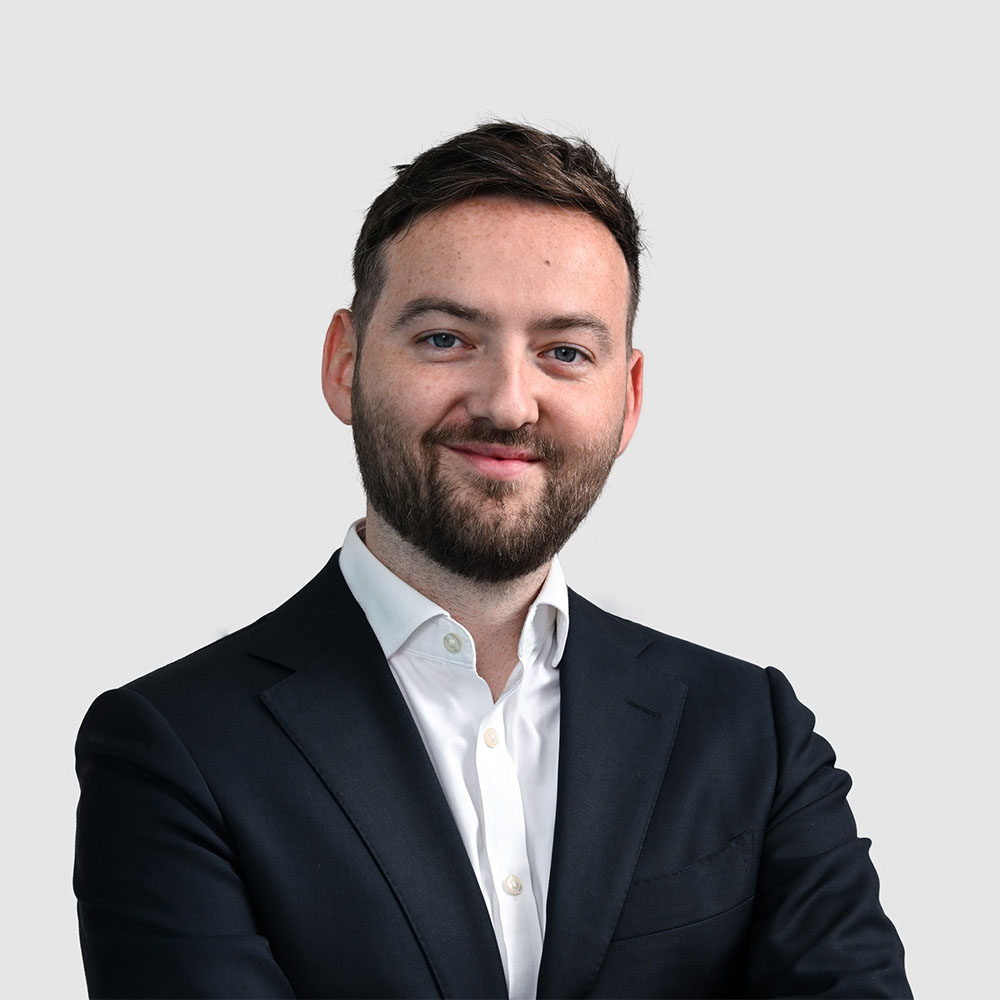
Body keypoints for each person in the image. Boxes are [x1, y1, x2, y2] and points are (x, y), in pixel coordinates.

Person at [74, 122, 911, 1000]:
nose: (509, 405)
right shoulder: (174, 749)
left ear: (628, 399)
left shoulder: (752, 734)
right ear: (345, 364)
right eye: (446, 338)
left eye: (564, 353)